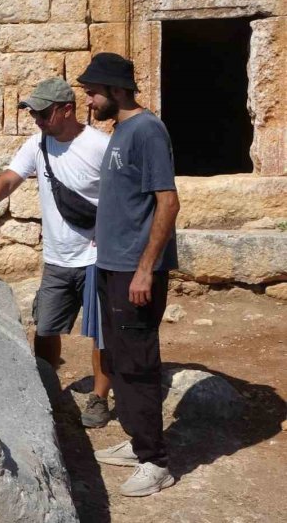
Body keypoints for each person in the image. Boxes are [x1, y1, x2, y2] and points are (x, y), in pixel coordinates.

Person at [0, 77, 113, 428]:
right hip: (57, 258)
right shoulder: (38, 144)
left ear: (67, 109)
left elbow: (123, 197)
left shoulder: (101, 146)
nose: (37, 120)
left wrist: (112, 235)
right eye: (33, 113)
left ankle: (99, 398)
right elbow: (8, 180)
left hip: (96, 258)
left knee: (102, 333)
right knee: (45, 329)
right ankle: (48, 390)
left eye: (43, 113)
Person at [77, 52, 180, 497]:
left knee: (138, 363)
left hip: (134, 272)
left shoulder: (147, 131)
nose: (88, 100)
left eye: (93, 91)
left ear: (117, 90)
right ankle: (139, 442)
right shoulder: (119, 132)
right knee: (119, 357)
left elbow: (167, 202)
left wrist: (144, 270)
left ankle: (156, 462)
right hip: (111, 265)